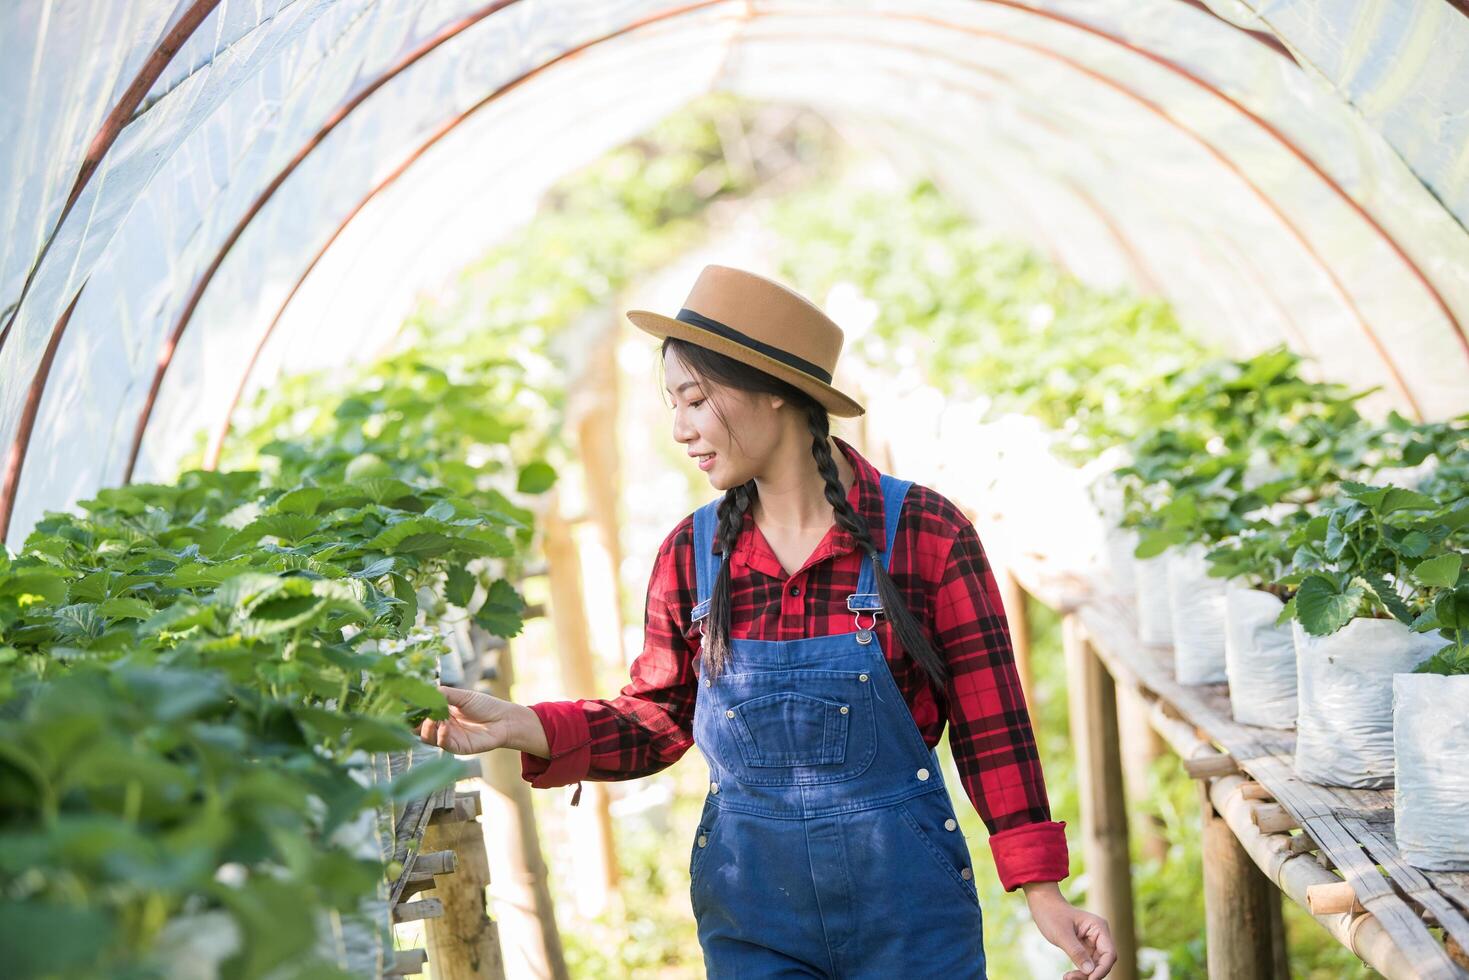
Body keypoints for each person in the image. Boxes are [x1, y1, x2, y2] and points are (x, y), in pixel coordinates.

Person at [418, 264, 1116, 979]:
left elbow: (991, 725)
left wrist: (1042, 890)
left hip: (909, 917)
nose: (679, 429)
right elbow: (658, 719)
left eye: (694, 399)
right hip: (755, 916)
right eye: (671, 404)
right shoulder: (691, 556)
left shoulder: (924, 534)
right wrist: (520, 724)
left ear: (774, 391)